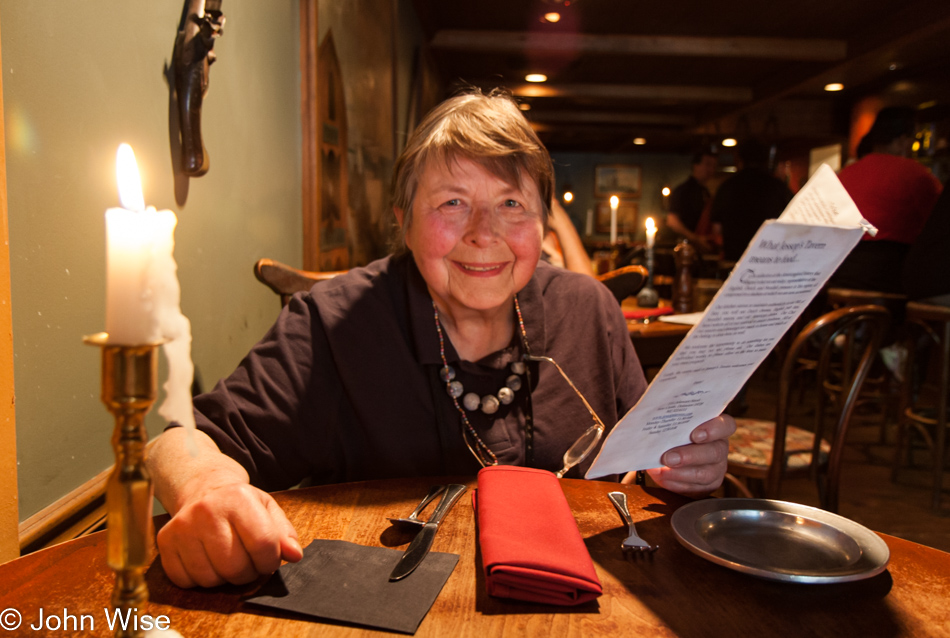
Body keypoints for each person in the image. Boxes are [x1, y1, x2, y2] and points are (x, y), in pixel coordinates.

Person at [147, 89, 735, 589]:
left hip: (572, 601)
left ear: (543, 223)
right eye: (453, 203)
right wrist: (208, 487)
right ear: (402, 218)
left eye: (512, 204)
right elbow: (180, 445)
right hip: (381, 602)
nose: (484, 234)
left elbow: (647, 469)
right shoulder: (332, 322)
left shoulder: (589, 309)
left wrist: (686, 467)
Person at [829, 107, 943, 294]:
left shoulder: (846, 172)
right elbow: (938, 226)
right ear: (902, 140)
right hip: (888, 277)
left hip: (839, 272)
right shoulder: (914, 173)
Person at [711, 139, 793, 263]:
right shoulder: (778, 186)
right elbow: (794, 222)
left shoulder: (727, 186)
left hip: (734, 259)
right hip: (768, 259)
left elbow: (716, 229)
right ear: (766, 159)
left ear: (739, 159)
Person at [664, 149, 718, 252]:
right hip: (686, 248)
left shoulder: (706, 192)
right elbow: (672, 221)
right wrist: (695, 239)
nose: (711, 169)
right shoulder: (683, 190)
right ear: (695, 165)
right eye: (708, 164)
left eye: (714, 166)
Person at [541, 199, 595, 276]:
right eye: (551, 198)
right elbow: (586, 285)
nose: (556, 203)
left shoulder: (550, 238)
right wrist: (562, 222)